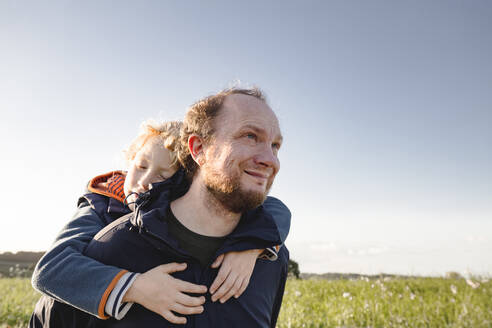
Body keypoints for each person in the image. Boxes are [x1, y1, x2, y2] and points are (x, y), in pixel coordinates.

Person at [30, 117, 290, 326]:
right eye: (141, 166)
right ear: (128, 162)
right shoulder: (102, 204)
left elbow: (274, 208)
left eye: (162, 175)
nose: (144, 181)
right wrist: (137, 287)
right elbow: (51, 270)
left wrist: (252, 245)